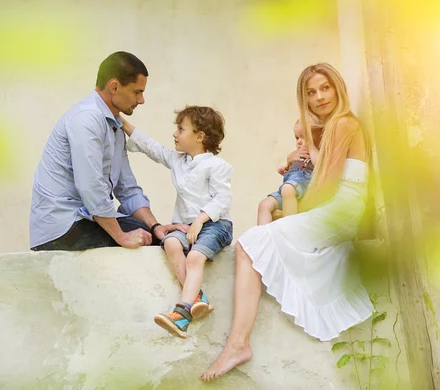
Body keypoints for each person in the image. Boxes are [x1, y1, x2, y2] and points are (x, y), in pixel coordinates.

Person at [201, 63, 375, 381]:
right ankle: (237, 344)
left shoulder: (344, 124)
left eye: (325, 87)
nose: (319, 96)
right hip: (338, 209)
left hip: (341, 209)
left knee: (250, 243)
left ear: (338, 88)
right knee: (255, 240)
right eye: (311, 92)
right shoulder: (333, 127)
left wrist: (300, 178)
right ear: (304, 99)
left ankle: (237, 345)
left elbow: (326, 186)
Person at [30, 51, 186, 251]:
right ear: (114, 86)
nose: (142, 100)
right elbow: (90, 186)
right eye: (137, 92)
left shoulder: (115, 127)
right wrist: (121, 236)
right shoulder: (87, 119)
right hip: (62, 228)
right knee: (151, 245)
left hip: (86, 220)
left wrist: (155, 226)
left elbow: (128, 190)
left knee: (162, 239)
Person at [121, 106, 233, 339]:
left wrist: (201, 219)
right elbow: (151, 147)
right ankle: (197, 298)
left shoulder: (217, 166)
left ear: (200, 136)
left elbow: (223, 199)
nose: (175, 134)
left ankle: (181, 314)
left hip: (214, 224)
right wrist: (121, 122)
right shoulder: (178, 161)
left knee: (194, 257)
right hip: (186, 226)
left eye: (181, 129)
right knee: (171, 244)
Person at [257, 121, 314, 225]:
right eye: (297, 138)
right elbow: (294, 171)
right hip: (288, 189)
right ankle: (262, 237)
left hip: (301, 190)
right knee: (264, 204)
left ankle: (288, 229)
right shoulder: (296, 154)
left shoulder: (314, 154)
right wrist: (286, 168)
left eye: (303, 137)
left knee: (287, 189)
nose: (299, 142)